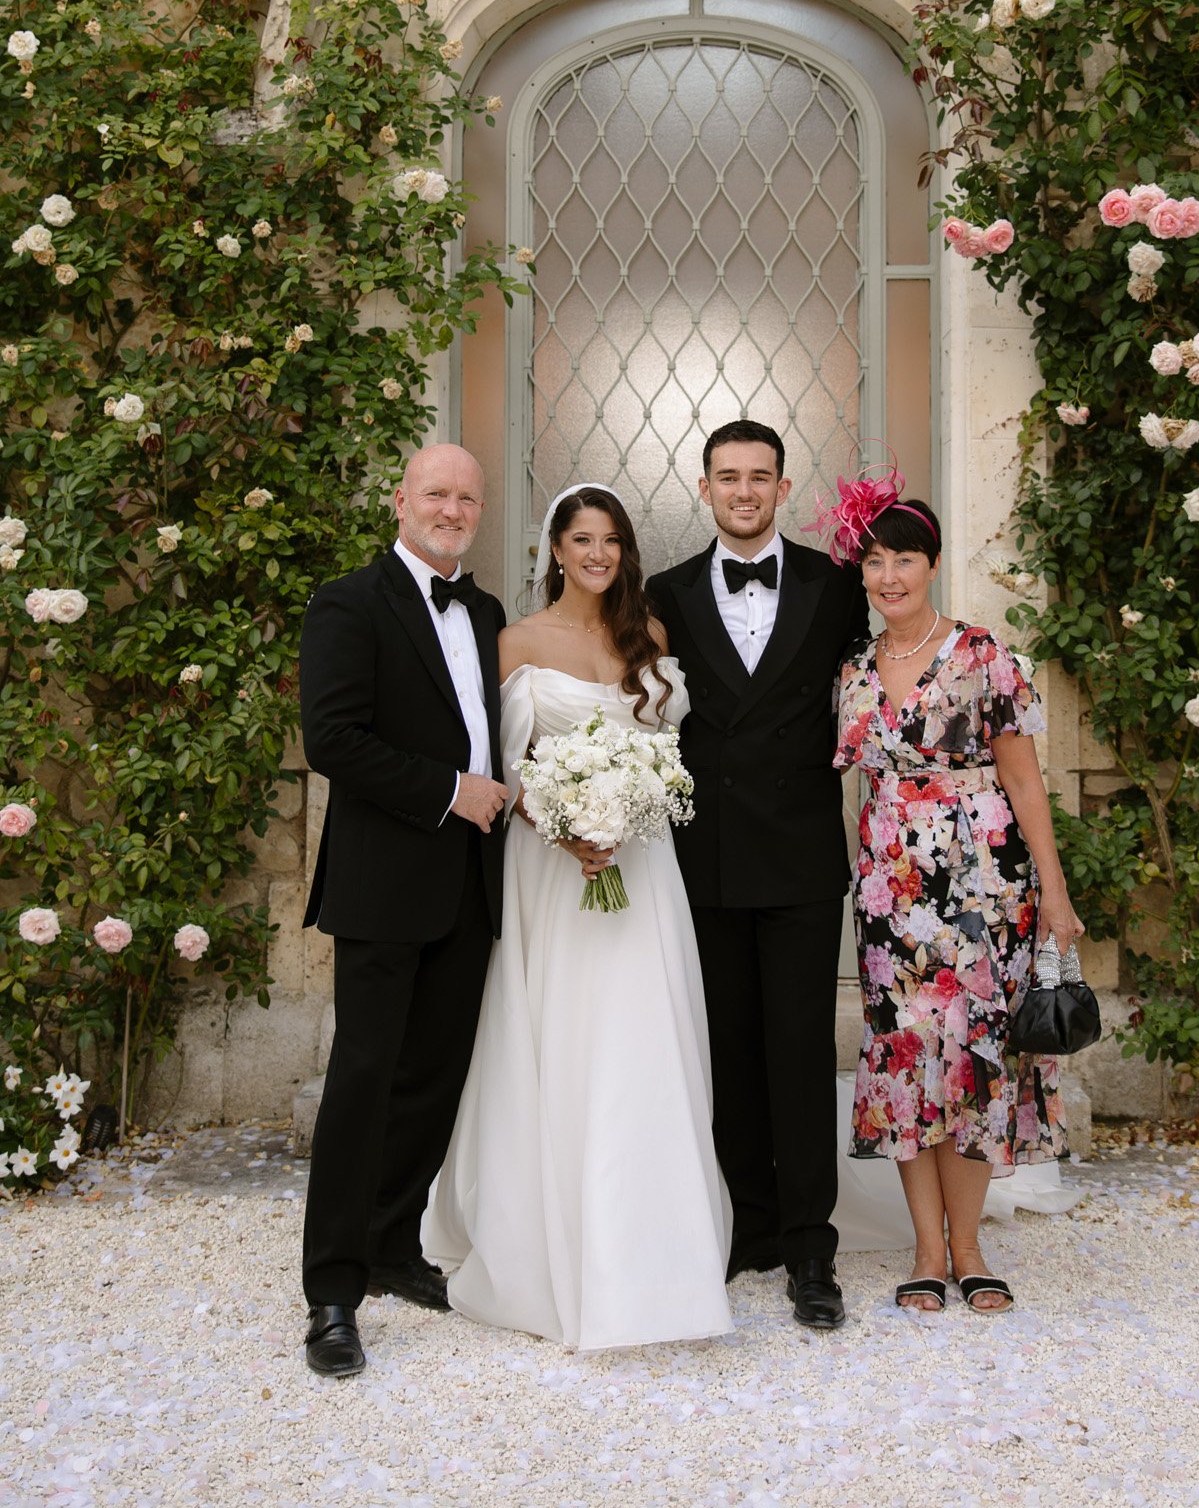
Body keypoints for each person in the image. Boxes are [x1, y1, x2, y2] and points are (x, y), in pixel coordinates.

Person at [422, 484, 732, 1350]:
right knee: (564, 1036)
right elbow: (497, 763)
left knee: (644, 1036)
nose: (597, 554)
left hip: (643, 867)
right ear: (553, 548)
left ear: (623, 551)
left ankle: (658, 1247)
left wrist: (625, 813)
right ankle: (548, 1243)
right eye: (581, 539)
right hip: (553, 871)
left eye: (611, 541)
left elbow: (665, 755)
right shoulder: (515, 642)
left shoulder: (649, 638)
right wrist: (558, 825)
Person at [823, 476, 1081, 1315]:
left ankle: (967, 1246)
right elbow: (857, 789)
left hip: (982, 885)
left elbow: (1024, 779)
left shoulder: (980, 654)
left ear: (931, 565)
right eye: (874, 560)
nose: (888, 574)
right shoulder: (855, 670)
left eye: (904, 558)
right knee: (905, 1056)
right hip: (892, 894)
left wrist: (1052, 889)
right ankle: (925, 1248)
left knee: (970, 1059)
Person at [646, 423, 868, 1330]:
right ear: (703, 488)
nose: (743, 491)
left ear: (783, 488)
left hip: (802, 860)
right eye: (727, 477)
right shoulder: (660, 592)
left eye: (759, 478)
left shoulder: (836, 585)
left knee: (800, 1053)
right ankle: (747, 1229)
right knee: (727, 1051)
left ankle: (812, 1248)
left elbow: (870, 696)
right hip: (704, 860)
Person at [298, 443, 509, 1377]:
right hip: (385, 884)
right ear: (402, 499)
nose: (452, 508)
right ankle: (333, 1292)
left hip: (469, 884)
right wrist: (449, 791)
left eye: (467, 497)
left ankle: (390, 1245)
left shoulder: (489, 610)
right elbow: (332, 739)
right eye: (437, 492)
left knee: (433, 1079)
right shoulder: (349, 600)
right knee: (363, 1082)